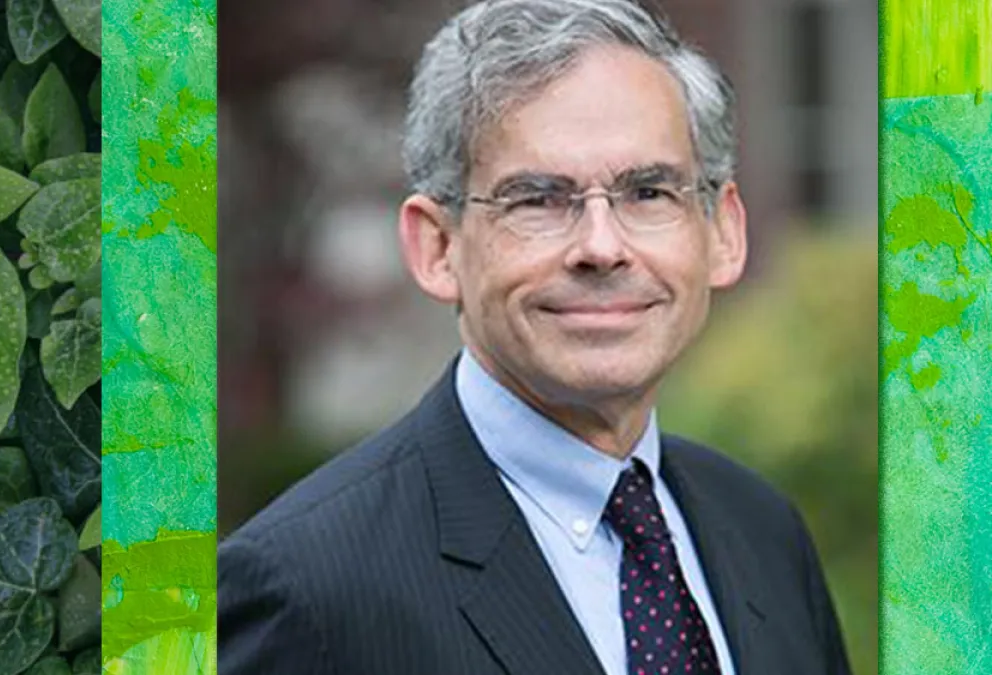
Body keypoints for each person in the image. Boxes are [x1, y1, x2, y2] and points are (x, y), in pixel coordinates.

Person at [218, 1, 852, 673]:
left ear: (723, 232)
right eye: (538, 199)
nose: (602, 247)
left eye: (648, 192)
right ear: (437, 247)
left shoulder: (764, 531)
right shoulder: (304, 590)